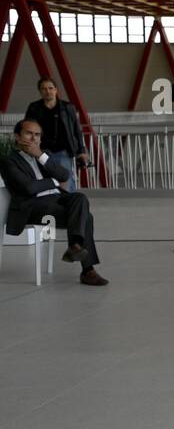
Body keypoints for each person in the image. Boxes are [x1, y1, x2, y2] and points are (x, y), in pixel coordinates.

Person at [2, 119, 109, 286]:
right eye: (29, 133)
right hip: (33, 206)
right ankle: (88, 270)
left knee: (80, 197)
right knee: (86, 217)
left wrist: (40, 156)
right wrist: (53, 182)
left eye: (37, 135)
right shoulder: (10, 161)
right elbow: (28, 188)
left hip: (57, 200)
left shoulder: (44, 156)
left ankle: (74, 246)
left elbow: (64, 175)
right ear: (17, 137)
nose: (33, 139)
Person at [24, 77, 88, 192]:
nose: (47, 91)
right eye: (44, 89)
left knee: (66, 182)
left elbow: (76, 130)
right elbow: (27, 128)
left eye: (50, 88)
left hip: (63, 151)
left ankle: (71, 206)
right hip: (42, 151)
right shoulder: (34, 108)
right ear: (40, 91)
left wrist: (81, 151)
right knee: (45, 181)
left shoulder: (68, 107)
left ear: (56, 90)